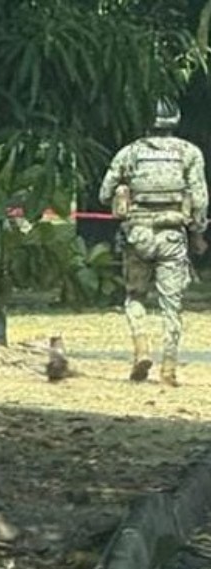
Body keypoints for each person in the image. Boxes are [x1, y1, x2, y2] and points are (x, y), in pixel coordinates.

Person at [99, 98, 209, 386]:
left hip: (137, 236)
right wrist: (198, 234)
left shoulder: (129, 153)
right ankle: (169, 368)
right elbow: (200, 200)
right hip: (173, 237)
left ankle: (142, 350)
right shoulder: (189, 153)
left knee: (135, 297)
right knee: (172, 305)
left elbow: (104, 193)